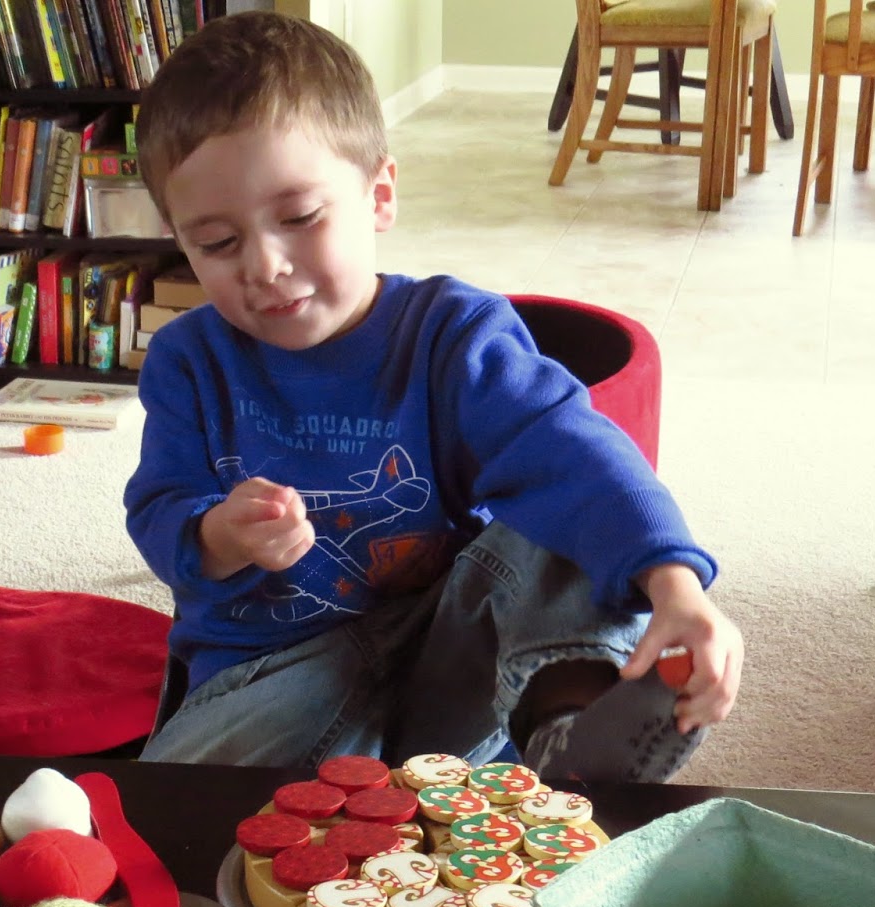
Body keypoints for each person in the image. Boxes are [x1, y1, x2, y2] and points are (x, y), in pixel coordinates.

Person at [123, 12, 742, 782]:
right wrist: (220, 534)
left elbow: (572, 452)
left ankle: (569, 724)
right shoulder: (187, 360)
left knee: (565, 511)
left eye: (300, 218)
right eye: (218, 243)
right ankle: (380, 792)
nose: (266, 265)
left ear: (379, 195)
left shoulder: (454, 333)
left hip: (451, 659)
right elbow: (160, 512)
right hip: (274, 674)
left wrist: (674, 582)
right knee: (173, 798)